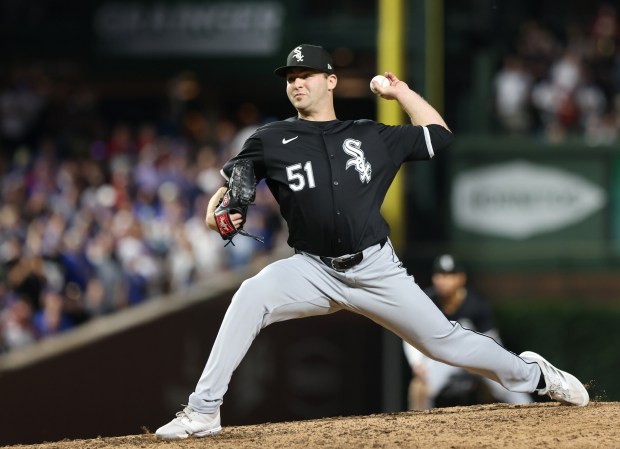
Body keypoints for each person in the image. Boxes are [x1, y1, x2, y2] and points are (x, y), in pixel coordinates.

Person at [155, 44, 589, 440]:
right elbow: (228, 194)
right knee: (250, 296)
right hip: (311, 269)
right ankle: (203, 410)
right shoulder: (269, 140)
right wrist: (218, 215)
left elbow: (439, 135)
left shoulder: (369, 135)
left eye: (306, 74)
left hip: (375, 267)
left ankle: (537, 375)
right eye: (290, 77)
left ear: (331, 81)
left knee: (446, 342)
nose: (297, 83)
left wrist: (400, 92)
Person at [403, 254, 534, 410]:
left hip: (477, 356)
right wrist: (417, 363)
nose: (442, 280)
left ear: (461, 278)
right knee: (421, 387)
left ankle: (530, 412)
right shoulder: (426, 300)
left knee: (507, 381)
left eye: (449, 275)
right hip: (444, 357)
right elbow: (410, 332)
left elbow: (492, 340)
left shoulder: (476, 303)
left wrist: (500, 364)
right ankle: (419, 430)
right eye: (439, 275)